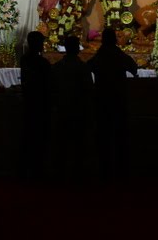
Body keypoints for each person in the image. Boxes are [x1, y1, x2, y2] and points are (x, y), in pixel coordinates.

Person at [87, 27, 138, 183]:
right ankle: (121, 169)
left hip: (102, 99)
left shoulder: (100, 55)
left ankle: (104, 169)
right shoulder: (118, 54)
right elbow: (134, 68)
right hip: (118, 99)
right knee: (120, 135)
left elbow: (87, 68)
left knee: (103, 136)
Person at [49, 35, 93, 183]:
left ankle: (60, 172)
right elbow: (88, 89)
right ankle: (77, 173)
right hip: (78, 109)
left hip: (62, 108)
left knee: (61, 143)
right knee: (77, 144)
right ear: (77, 48)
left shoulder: (58, 67)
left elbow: (52, 88)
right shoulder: (82, 67)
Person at [19, 31, 51, 181]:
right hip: (40, 104)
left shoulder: (24, 59)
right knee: (39, 138)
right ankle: (38, 170)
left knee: (29, 137)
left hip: (29, 102)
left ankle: (27, 170)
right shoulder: (41, 63)